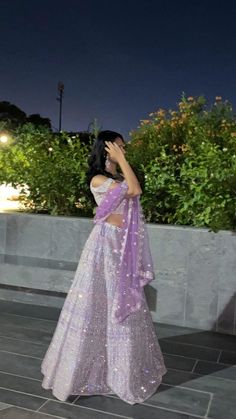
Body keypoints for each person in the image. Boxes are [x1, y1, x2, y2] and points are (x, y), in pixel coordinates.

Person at [40, 130, 167, 405]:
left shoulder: (118, 178)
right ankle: (82, 369)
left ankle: (123, 369)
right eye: (117, 147)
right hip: (105, 247)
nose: (122, 150)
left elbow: (132, 189)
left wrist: (121, 163)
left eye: (122, 147)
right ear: (106, 149)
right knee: (98, 306)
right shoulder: (98, 180)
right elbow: (135, 190)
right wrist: (122, 160)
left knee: (121, 303)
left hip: (123, 247)